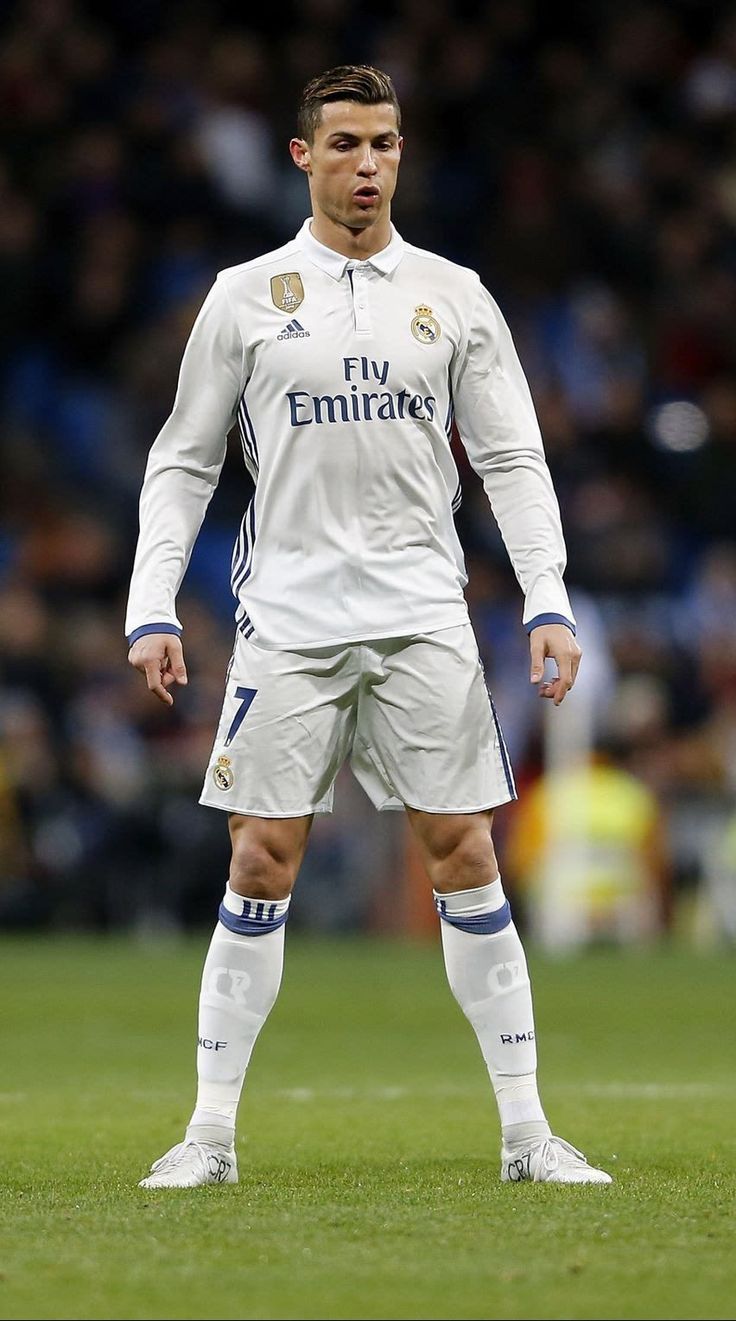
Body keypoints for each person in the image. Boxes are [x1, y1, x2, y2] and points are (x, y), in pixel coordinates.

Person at [126, 65, 612, 1188]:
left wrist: (546, 596)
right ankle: (208, 1137)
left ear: (402, 154)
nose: (367, 165)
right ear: (303, 156)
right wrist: (153, 602)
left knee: (467, 852)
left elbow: (511, 458)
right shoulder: (244, 295)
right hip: (288, 617)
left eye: (384, 144)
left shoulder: (451, 292)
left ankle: (527, 1136)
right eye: (344, 144)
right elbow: (184, 459)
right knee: (260, 854)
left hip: (420, 613)